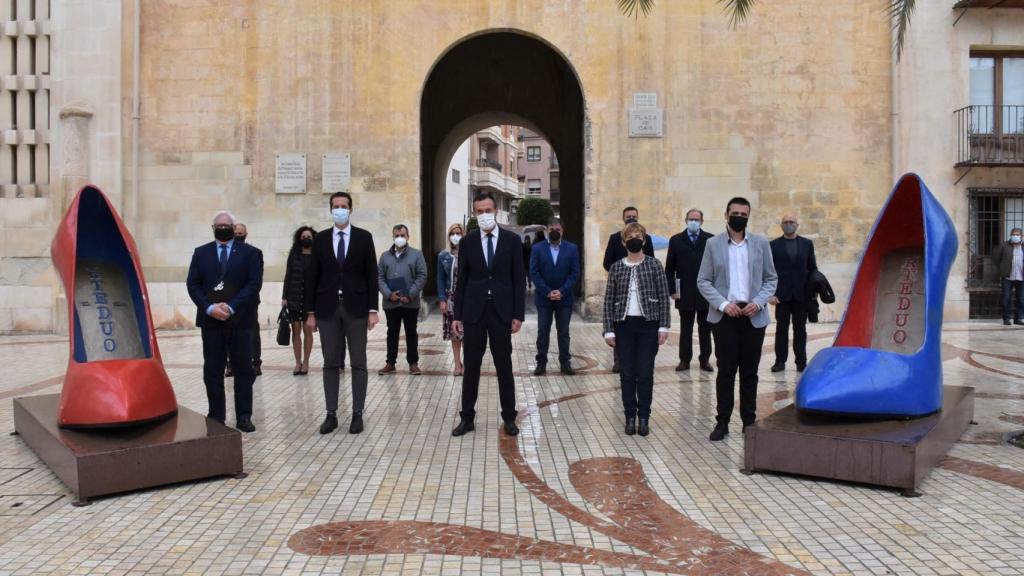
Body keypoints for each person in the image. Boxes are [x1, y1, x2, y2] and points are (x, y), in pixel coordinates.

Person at [697, 197, 778, 442]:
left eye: (744, 214)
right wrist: (723, 304)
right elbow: (703, 280)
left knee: (750, 371)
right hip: (725, 317)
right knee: (726, 371)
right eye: (735, 213)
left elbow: (771, 278)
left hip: (753, 315)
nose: (739, 217)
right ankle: (722, 422)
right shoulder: (713, 244)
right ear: (726, 214)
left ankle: (749, 421)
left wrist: (760, 301)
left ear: (748, 216)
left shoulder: (761, 243)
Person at [451, 191, 526, 438]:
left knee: (504, 365)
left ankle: (509, 417)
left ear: (496, 211)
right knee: (471, 366)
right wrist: (457, 316)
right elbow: (461, 281)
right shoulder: (468, 242)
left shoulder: (512, 241)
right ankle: (467, 418)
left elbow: (518, 279)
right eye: (479, 211)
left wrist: (518, 314)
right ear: (474, 213)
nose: (484, 215)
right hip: (474, 311)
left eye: (488, 210)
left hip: (501, 311)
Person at [305, 192, 379, 435]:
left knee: (358, 362)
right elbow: (312, 277)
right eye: (335, 206)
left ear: (350, 209)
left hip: (356, 308)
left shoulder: (364, 238)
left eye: (343, 206)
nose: (339, 210)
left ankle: (357, 414)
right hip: (327, 309)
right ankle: (331, 414)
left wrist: (372, 310)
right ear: (330, 210)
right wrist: (310, 313)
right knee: (330, 363)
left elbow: (371, 275)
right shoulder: (321, 239)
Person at [186, 211, 263, 432]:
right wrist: (209, 308)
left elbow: (253, 283)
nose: (222, 228)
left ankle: (244, 416)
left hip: (240, 321)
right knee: (213, 369)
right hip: (211, 322)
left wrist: (231, 306)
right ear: (212, 228)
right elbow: (193, 284)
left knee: (243, 371)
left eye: (226, 224)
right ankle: (216, 415)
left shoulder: (249, 253)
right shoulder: (201, 253)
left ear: (233, 227)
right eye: (218, 225)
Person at [603, 222, 670, 437]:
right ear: (623, 242)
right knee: (627, 373)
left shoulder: (654, 265)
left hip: (648, 324)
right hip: (623, 325)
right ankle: (629, 416)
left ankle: (644, 417)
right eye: (630, 236)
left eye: (638, 236)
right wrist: (608, 330)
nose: (634, 239)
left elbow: (663, 297)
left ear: (644, 240)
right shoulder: (616, 267)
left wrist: (664, 326)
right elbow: (608, 300)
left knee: (645, 372)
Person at [603, 206, 655, 373]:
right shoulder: (614, 238)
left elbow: (651, 260)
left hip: (642, 289)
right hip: (621, 288)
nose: (631, 219)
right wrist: (621, 271)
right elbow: (607, 262)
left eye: (634, 216)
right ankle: (619, 361)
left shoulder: (646, 238)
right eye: (628, 217)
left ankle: (640, 360)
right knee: (620, 324)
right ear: (623, 218)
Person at [665, 208, 714, 372]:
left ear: (702, 221)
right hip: (684, 291)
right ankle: (684, 360)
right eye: (691, 219)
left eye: (696, 219)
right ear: (686, 220)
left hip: (705, 293)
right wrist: (672, 289)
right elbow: (669, 268)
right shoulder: (676, 240)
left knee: (705, 328)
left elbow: (717, 267)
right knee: (685, 329)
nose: (694, 222)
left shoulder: (710, 240)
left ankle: (705, 359)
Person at [530, 218, 581, 375]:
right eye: (551, 228)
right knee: (543, 331)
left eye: (557, 229)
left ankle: (565, 363)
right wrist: (547, 291)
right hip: (544, 298)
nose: (554, 232)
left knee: (563, 332)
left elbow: (575, 273)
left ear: (562, 231)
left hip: (564, 298)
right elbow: (534, 272)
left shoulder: (572, 249)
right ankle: (541, 363)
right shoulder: (537, 249)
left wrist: (562, 291)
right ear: (546, 230)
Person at [378, 224, 428, 375]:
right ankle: (390, 363)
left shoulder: (417, 255)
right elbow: (379, 277)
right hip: (391, 303)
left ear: (408, 236)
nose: (400, 238)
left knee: (411, 332)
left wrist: (410, 294)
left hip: (410, 303)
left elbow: (422, 275)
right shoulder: (385, 256)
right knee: (392, 332)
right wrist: (388, 294)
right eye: (397, 235)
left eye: (402, 235)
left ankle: (413, 363)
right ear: (393, 237)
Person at [769, 214, 817, 372]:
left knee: (800, 329)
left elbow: (812, 268)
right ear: (781, 225)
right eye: (786, 222)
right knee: (781, 329)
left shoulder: (806, 244)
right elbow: (769, 271)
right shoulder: (773, 245)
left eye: (791, 222)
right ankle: (780, 361)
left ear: (797, 224)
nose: (789, 224)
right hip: (781, 295)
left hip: (801, 294)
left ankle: (801, 362)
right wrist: (771, 293)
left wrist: (814, 290)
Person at [226, 223, 263, 377]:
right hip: (228, 300)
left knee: (252, 332)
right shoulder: (224, 253)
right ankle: (231, 364)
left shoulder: (255, 253)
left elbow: (256, 279)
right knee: (229, 333)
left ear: (246, 234)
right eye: (236, 233)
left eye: (241, 233)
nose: (238, 235)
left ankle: (255, 363)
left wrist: (244, 297)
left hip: (249, 301)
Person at [282, 225, 317, 375]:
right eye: (303, 236)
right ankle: (297, 363)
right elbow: (288, 275)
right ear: (299, 238)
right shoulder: (294, 253)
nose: (306, 239)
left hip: (311, 298)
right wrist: (284, 297)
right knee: (296, 331)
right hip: (294, 296)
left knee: (307, 330)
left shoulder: (317, 254)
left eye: (309, 236)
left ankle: (306, 363)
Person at [437, 223, 465, 376]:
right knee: (455, 333)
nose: (455, 236)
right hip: (451, 297)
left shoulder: (469, 253)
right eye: (453, 233)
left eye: (458, 232)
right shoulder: (444, 255)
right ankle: (457, 365)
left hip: (467, 297)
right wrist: (442, 299)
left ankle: (466, 363)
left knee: (467, 332)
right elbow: (440, 279)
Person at [996, 227, 1024, 326]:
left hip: (1021, 277)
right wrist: (1002, 270)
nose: (1015, 236)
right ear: (1011, 235)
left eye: (1017, 235)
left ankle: (1018, 318)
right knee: (1006, 298)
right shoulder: (1003, 245)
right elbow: (997, 259)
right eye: (1014, 234)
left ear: (1021, 236)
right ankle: (1006, 318)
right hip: (1007, 277)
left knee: (1021, 299)